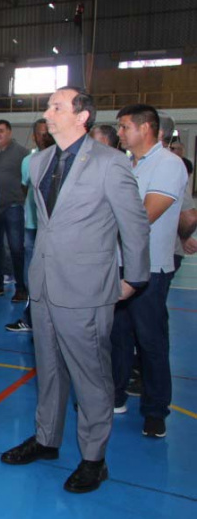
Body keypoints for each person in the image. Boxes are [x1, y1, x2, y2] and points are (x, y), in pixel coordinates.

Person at [0, 87, 150, 494]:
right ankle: (47, 439)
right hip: (46, 285)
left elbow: (133, 225)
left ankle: (93, 458)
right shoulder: (41, 161)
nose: (47, 113)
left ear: (81, 116)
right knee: (47, 370)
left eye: (56, 107)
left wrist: (133, 278)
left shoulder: (110, 163)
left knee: (91, 377)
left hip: (86, 287)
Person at [111, 104, 187, 437]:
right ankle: (115, 396)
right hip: (117, 264)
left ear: (146, 128)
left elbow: (143, 217)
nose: (120, 133)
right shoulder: (126, 164)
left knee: (151, 340)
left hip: (150, 268)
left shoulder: (169, 166)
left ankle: (156, 410)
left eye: (125, 126)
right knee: (117, 337)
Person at [6, 118, 54, 333]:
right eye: (40, 133)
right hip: (32, 225)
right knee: (30, 272)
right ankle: (30, 316)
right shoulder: (30, 161)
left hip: (53, 229)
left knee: (51, 274)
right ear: (34, 135)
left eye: (47, 132)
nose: (43, 136)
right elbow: (28, 190)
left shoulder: (61, 160)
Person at [0, 120, 30, 302]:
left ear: (9, 132)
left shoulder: (21, 153)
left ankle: (21, 288)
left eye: (1, 131)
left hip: (13, 206)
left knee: (17, 249)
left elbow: (27, 179)